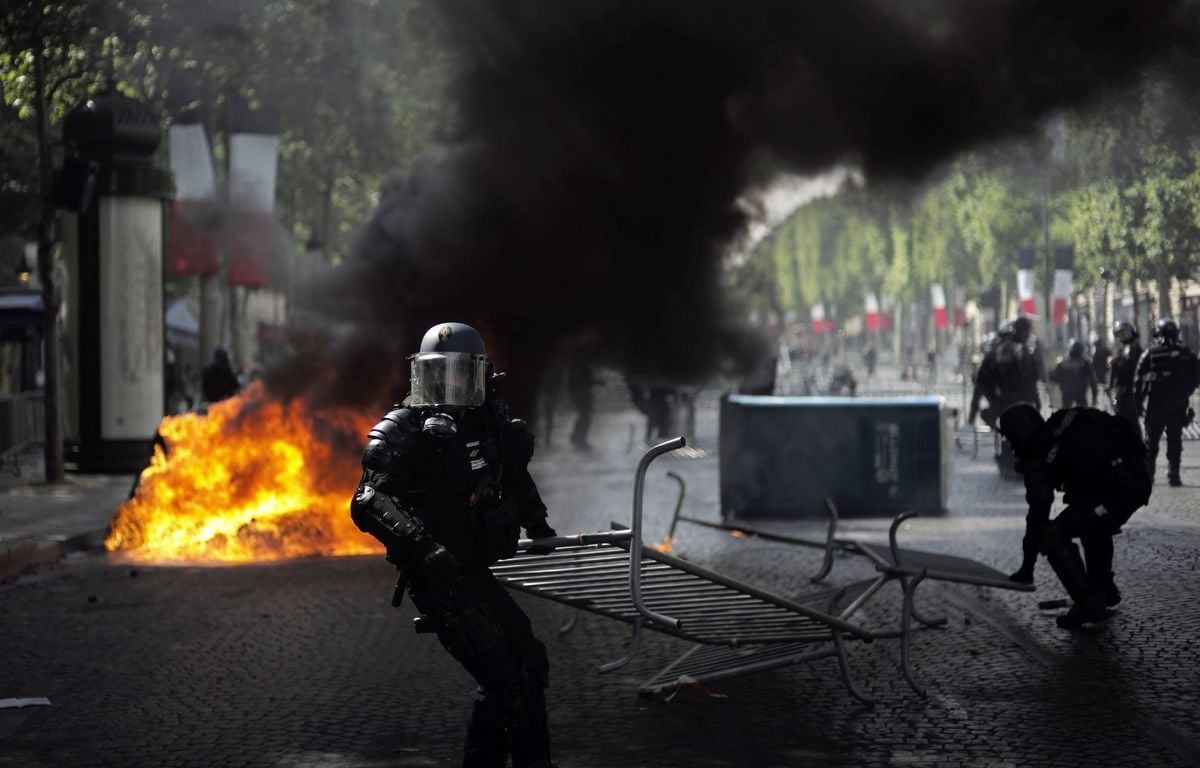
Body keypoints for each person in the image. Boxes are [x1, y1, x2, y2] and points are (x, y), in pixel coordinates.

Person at [349, 322, 559, 768]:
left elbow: (514, 476)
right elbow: (367, 500)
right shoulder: (405, 429)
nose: (449, 386)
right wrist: (424, 548)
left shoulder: (492, 422)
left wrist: (538, 524)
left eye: (459, 374)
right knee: (504, 680)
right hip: (441, 582)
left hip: (475, 571)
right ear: (421, 376)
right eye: (438, 375)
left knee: (531, 663)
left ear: (479, 376)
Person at [997, 402, 1151, 628]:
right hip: (1133, 482)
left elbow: (1038, 514)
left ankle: (1089, 603)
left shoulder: (1039, 451)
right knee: (1091, 523)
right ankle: (1103, 590)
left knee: (1051, 535)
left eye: (1011, 440)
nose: (1011, 448)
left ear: (1020, 434)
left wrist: (1027, 567)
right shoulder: (1063, 424)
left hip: (1114, 494)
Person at [1134, 317, 1200, 487]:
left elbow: (1138, 380)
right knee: (1175, 441)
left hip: (1156, 404)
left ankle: (1148, 476)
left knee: (1152, 442)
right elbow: (1196, 376)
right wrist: (1186, 391)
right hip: (1178, 404)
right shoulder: (1186, 354)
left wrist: (1138, 402)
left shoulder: (1150, 353)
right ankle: (1174, 474)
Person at [1108, 320, 1143, 442]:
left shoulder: (1131, 348)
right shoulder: (1123, 348)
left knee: (1124, 420)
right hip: (1125, 390)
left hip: (1127, 390)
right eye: (1119, 333)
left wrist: (1116, 361)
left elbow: (1126, 368)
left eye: (1124, 333)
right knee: (1131, 422)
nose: (1122, 336)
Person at [1049, 338, 1098, 409]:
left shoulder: (1063, 362)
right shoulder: (1085, 362)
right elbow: (1093, 381)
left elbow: (1054, 377)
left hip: (1069, 392)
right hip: (1078, 392)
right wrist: (1094, 396)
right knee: (1082, 412)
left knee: (1067, 412)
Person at [566, 345, 595, 451]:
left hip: (581, 393)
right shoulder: (579, 364)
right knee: (585, 416)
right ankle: (579, 439)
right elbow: (581, 381)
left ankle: (577, 438)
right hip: (581, 394)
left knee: (584, 416)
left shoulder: (578, 364)